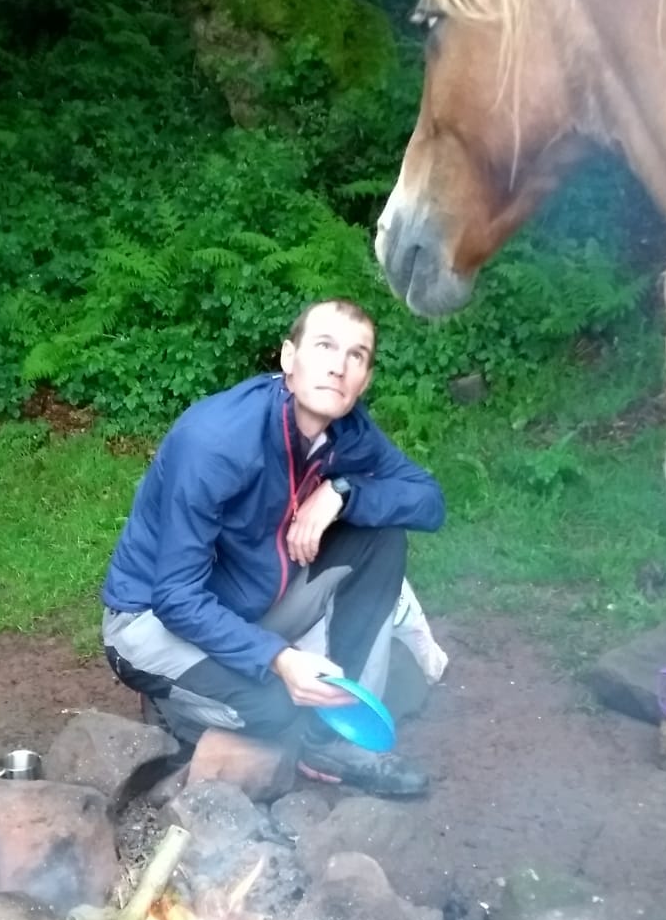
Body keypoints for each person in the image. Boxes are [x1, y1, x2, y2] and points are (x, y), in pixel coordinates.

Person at [101, 298, 445, 796]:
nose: (338, 366)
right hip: (148, 618)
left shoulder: (348, 431)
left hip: (249, 604)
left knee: (381, 539)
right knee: (277, 707)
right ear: (289, 358)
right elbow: (174, 596)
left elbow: (428, 501)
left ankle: (333, 737)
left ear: (365, 379)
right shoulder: (216, 442)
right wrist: (280, 658)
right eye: (324, 346)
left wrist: (344, 493)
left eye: (356, 355)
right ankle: (172, 705)